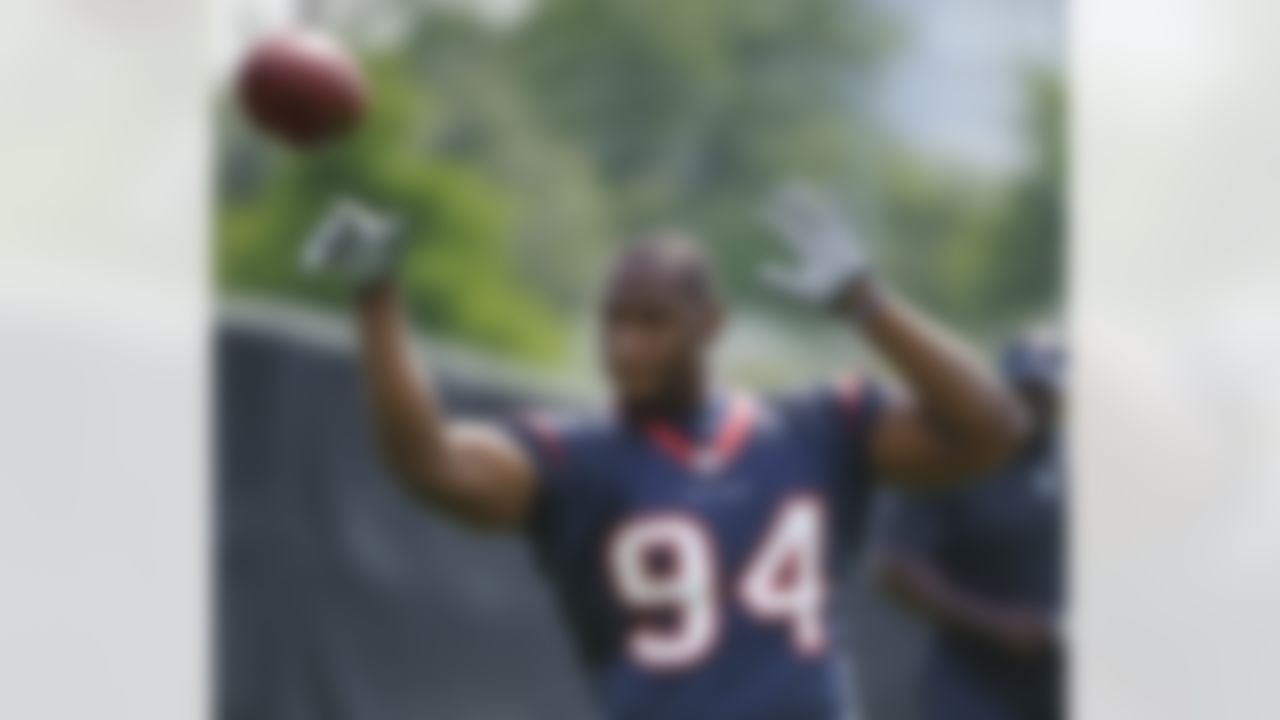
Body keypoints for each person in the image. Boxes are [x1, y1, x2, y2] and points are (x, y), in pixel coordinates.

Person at [300, 184, 1028, 720]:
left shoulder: (817, 427)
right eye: (613, 323)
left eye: (651, 324)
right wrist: (376, 295)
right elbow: (429, 464)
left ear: (709, 323)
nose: (624, 346)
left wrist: (870, 304)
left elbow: (994, 430)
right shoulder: (576, 458)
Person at [873, 334, 1065, 720]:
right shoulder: (953, 460)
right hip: (973, 679)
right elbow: (897, 568)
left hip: (1061, 676)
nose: (1033, 404)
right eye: (1023, 391)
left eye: (1045, 393)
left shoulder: (1080, 459)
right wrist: (996, 624)